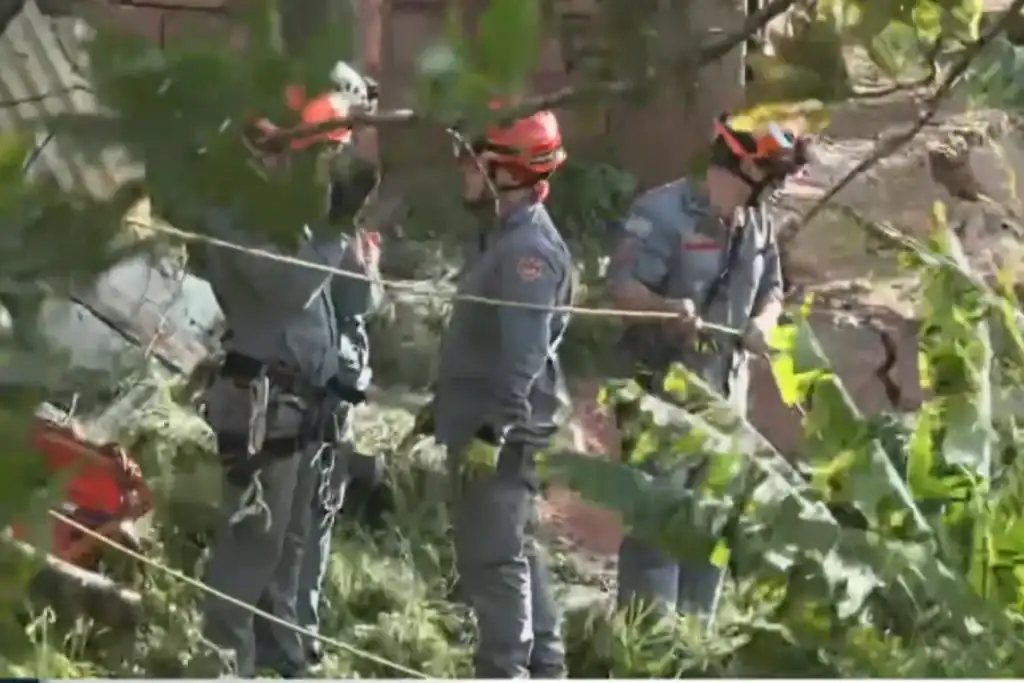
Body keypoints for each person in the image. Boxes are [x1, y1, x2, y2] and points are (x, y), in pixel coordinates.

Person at [195, 61, 381, 677]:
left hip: (304, 399)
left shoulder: (287, 207)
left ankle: (284, 661)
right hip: (260, 400)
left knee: (290, 553)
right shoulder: (232, 209)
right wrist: (333, 229)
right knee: (252, 549)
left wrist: (348, 237)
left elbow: (342, 295)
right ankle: (224, 663)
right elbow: (288, 286)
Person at [606, 114, 809, 624]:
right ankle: (647, 651)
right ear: (741, 163)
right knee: (659, 529)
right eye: (772, 173)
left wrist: (764, 322)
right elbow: (623, 293)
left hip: (726, 402)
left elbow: (773, 290)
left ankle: (693, 650)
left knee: (712, 531)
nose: (779, 185)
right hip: (662, 401)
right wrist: (666, 310)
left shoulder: (756, 221)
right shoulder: (662, 212)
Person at [431, 107, 574, 678]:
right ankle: (547, 667)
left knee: (494, 564)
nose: (463, 171)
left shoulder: (525, 255)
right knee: (514, 553)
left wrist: (492, 431)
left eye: (474, 162)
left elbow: (522, 357)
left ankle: (507, 669)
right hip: (489, 421)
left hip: (503, 435)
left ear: (505, 173)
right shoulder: (505, 237)